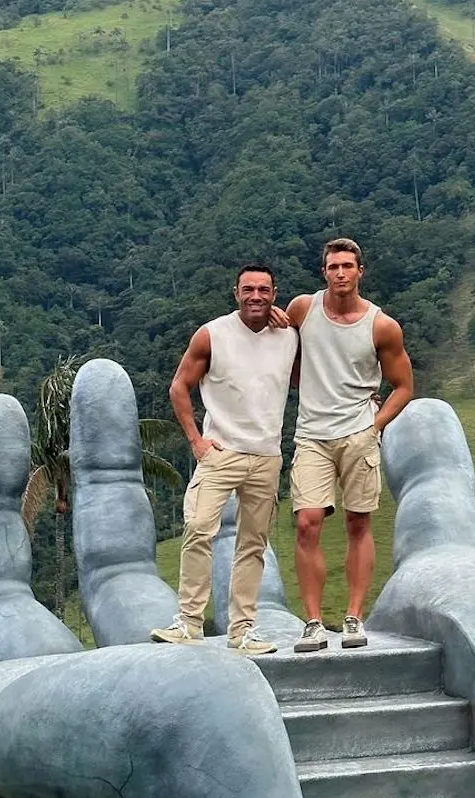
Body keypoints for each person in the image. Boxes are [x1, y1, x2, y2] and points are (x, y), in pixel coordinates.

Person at [151, 263, 298, 655]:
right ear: (236, 293)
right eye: (248, 289)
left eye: (263, 290)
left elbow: (317, 371)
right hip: (221, 451)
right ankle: (188, 622)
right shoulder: (213, 334)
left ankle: (242, 630)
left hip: (267, 456)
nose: (256, 296)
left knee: (254, 544)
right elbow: (179, 387)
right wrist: (196, 440)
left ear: (274, 293)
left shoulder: (289, 337)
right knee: (199, 527)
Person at [288, 238, 414, 653]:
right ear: (323, 272)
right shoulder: (302, 310)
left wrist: (374, 425)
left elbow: (402, 387)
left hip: (358, 433)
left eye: (347, 266)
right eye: (332, 267)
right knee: (307, 522)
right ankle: (312, 622)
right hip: (311, 434)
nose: (340, 273)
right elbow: (282, 356)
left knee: (358, 523)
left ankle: (354, 617)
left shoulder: (381, 325)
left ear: (360, 271)